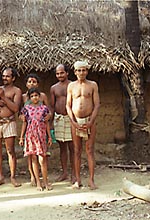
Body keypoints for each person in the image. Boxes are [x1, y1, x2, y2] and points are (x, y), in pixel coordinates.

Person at [66, 61, 100, 190]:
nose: (81, 73)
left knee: (90, 150)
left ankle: (91, 180)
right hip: (76, 121)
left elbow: (96, 104)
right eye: (79, 70)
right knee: (76, 151)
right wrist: (73, 122)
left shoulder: (92, 85)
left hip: (89, 121)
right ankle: (77, 180)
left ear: (87, 71)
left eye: (84, 70)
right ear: (75, 72)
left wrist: (91, 121)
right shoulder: (71, 86)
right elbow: (68, 105)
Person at [0, 67, 22, 187]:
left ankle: (12, 177)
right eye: (3, 76)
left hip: (9, 123)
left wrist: (3, 98)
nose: (4, 78)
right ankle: (1, 176)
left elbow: (15, 108)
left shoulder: (16, 91)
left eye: (7, 76)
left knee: (10, 150)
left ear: (13, 78)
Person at [21, 73, 52, 186]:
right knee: (31, 156)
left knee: (42, 157)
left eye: (34, 81)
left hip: (41, 131)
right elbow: (22, 115)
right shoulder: (24, 98)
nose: (31, 83)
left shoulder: (43, 97)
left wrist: (49, 116)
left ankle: (44, 180)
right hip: (30, 132)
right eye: (29, 81)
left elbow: (48, 112)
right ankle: (33, 178)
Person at [50, 64, 75, 183]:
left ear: (67, 73)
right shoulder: (54, 88)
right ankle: (64, 172)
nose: (59, 75)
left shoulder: (73, 85)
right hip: (59, 119)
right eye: (57, 73)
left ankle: (74, 174)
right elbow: (52, 105)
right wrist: (50, 122)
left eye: (62, 73)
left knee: (73, 147)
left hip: (71, 119)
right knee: (62, 148)